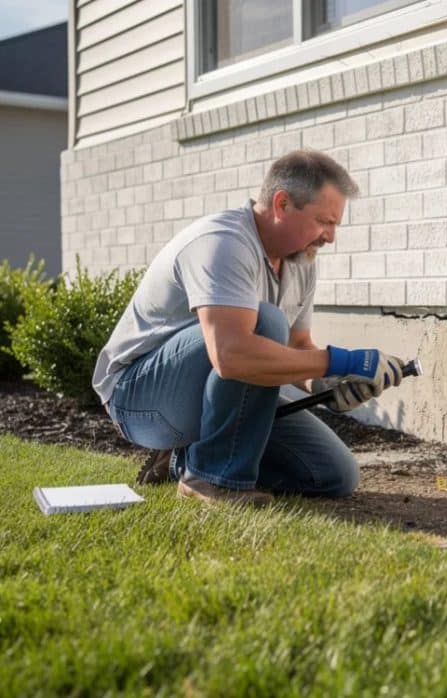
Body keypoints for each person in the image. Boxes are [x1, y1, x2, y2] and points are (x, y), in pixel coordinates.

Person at [93, 149, 405, 506]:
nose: (330, 237)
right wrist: (341, 360)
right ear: (282, 204)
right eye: (323, 221)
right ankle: (212, 479)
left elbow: (298, 344)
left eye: (335, 224)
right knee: (265, 320)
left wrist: (328, 382)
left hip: (213, 393)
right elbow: (231, 355)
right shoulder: (222, 243)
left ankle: (183, 459)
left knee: (334, 473)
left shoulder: (301, 260)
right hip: (139, 400)